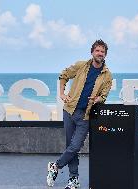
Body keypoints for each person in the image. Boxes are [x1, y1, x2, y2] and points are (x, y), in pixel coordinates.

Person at [47, 39, 113, 189]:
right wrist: (62, 94)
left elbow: (104, 96)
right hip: (69, 110)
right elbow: (63, 75)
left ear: (105, 55)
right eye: (97, 50)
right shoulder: (81, 65)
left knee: (75, 146)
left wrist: (98, 99)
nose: (100, 53)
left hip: (85, 116)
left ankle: (55, 166)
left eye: (102, 51)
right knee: (70, 146)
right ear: (92, 52)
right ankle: (73, 180)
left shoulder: (107, 75)